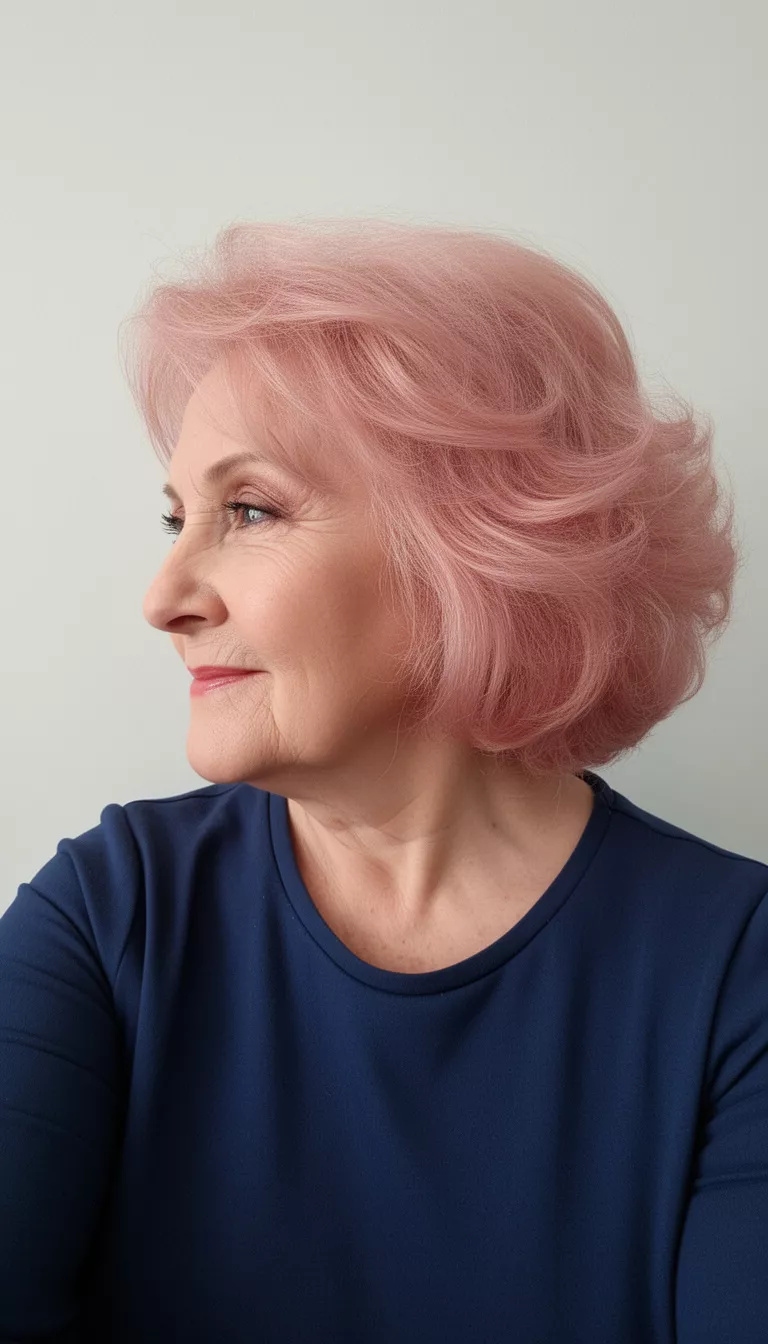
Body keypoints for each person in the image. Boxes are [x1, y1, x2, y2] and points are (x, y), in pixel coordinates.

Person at [1, 219, 765, 1343]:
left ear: (473, 547)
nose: (165, 597)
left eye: (248, 510)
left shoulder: (737, 974)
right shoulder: (115, 913)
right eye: (177, 518)